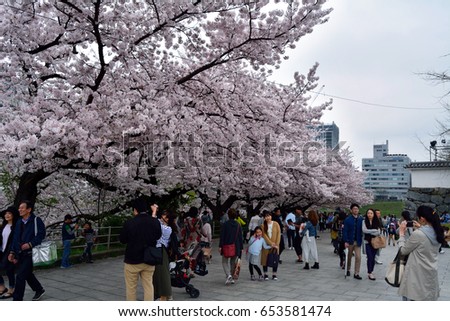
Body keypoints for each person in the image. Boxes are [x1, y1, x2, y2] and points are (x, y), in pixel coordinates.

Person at [397, 205, 445, 301]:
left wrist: (401, 234)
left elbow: (403, 251)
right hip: (430, 276)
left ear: (422, 219)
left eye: (418, 218)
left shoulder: (419, 234)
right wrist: (421, 227)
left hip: (416, 277)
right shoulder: (439, 232)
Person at [119, 199, 162, 301]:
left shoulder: (129, 223)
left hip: (132, 259)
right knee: (148, 286)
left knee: (131, 288)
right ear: (146, 209)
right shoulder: (154, 221)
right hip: (149, 259)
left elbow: (122, 240)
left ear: (135, 210)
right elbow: (158, 236)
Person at [8, 201, 46, 301]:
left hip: (31, 253)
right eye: (19, 208)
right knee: (27, 274)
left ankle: (17, 299)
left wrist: (30, 244)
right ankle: (39, 289)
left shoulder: (36, 220)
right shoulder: (19, 222)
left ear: (29, 209)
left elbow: (41, 235)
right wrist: (12, 252)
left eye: (22, 208)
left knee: (20, 276)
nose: (19, 210)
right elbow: (15, 239)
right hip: (20, 253)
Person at [153, 209, 178, 301]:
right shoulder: (162, 224)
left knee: (163, 274)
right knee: (156, 274)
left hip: (162, 251)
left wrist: (154, 212)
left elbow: (155, 223)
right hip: (157, 251)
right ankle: (158, 294)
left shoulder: (168, 229)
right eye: (163, 215)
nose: (163, 217)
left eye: (166, 216)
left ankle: (166, 294)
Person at [218, 208, 243, 285]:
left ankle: (228, 275)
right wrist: (241, 248)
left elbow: (222, 236)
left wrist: (220, 246)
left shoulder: (225, 224)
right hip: (236, 246)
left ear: (228, 215)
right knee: (233, 262)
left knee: (224, 261)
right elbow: (240, 237)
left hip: (226, 246)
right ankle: (231, 276)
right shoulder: (238, 225)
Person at [0, 206, 19, 299]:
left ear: (13, 215)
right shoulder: (4, 225)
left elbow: (15, 241)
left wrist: (13, 252)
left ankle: (11, 290)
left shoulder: (16, 227)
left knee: (9, 271)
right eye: (6, 213)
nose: (7, 215)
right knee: (8, 270)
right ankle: (2, 287)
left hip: (10, 251)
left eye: (9, 213)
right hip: (2, 250)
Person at [342, 203, 364, 280]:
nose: (356, 210)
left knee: (358, 257)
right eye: (354, 209)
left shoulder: (361, 219)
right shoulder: (347, 220)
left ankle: (356, 273)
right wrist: (346, 241)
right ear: (351, 210)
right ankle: (348, 269)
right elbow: (345, 231)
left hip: (357, 241)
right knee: (349, 256)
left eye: (357, 209)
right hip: (349, 241)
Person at [260, 211, 281, 280]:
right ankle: (265, 274)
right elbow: (264, 235)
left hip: (276, 245)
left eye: (269, 216)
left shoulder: (276, 224)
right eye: (266, 216)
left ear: (271, 216)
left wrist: (276, 244)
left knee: (275, 258)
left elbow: (278, 234)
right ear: (264, 218)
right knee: (265, 259)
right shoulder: (262, 226)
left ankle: (274, 274)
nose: (268, 217)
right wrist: (271, 243)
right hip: (266, 245)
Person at [362, 209, 381, 280]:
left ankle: (371, 271)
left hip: (375, 242)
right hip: (367, 242)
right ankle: (370, 272)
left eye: (371, 213)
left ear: (373, 214)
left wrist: (369, 231)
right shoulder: (364, 221)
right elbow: (364, 230)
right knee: (369, 257)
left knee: (373, 258)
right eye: (368, 213)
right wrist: (373, 231)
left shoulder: (376, 221)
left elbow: (378, 232)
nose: (369, 214)